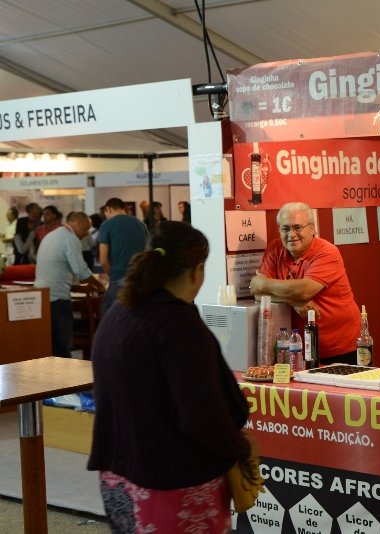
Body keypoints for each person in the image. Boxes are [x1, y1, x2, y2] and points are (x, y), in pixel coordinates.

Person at [87, 221, 252, 533]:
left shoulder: (119, 313)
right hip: (172, 481)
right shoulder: (178, 326)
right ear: (197, 270)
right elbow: (202, 417)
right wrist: (239, 449)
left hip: (118, 477)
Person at [250, 202, 361, 364]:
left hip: (340, 346)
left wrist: (263, 283)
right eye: (285, 228)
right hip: (300, 347)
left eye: (297, 227)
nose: (291, 234)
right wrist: (292, 301)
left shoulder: (327, 252)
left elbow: (303, 291)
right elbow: (258, 294)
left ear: (312, 228)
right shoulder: (275, 249)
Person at [33, 212, 106, 357]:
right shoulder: (70, 238)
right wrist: (100, 286)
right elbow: (81, 271)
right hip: (58, 299)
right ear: (77, 223)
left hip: (42, 297)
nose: (87, 233)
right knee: (63, 346)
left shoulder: (51, 235)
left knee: (50, 346)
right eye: (86, 228)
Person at [97, 198, 149, 314]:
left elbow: (103, 260)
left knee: (110, 316)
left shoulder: (107, 225)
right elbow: (147, 251)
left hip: (118, 278)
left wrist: (112, 275)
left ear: (108, 209)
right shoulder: (141, 224)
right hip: (139, 278)